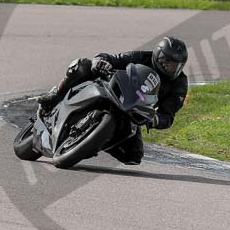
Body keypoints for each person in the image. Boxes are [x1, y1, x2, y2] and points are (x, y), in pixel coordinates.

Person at [37, 36, 189, 165]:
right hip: (113, 88)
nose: (171, 68)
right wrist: (101, 62)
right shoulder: (142, 57)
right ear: (158, 56)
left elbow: (168, 116)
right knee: (83, 65)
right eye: (168, 63)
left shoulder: (180, 84)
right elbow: (112, 58)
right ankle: (55, 94)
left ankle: (95, 142)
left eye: (176, 66)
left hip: (133, 111)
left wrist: (154, 119)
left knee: (133, 156)